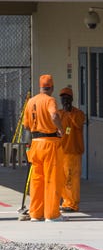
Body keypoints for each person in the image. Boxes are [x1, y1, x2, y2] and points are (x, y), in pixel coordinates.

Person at [22, 74, 65, 222]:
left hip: (35, 143)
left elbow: (26, 125)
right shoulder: (50, 100)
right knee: (52, 179)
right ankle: (52, 214)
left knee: (37, 180)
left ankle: (35, 213)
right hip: (50, 143)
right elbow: (54, 116)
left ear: (40, 87)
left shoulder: (31, 101)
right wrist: (60, 129)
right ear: (51, 87)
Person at [57, 87, 86, 213]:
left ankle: (72, 203)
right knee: (63, 179)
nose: (65, 100)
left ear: (72, 99)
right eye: (63, 98)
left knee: (71, 179)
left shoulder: (78, 113)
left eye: (67, 98)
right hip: (61, 152)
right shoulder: (59, 114)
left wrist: (70, 112)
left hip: (73, 152)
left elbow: (78, 124)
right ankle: (66, 201)